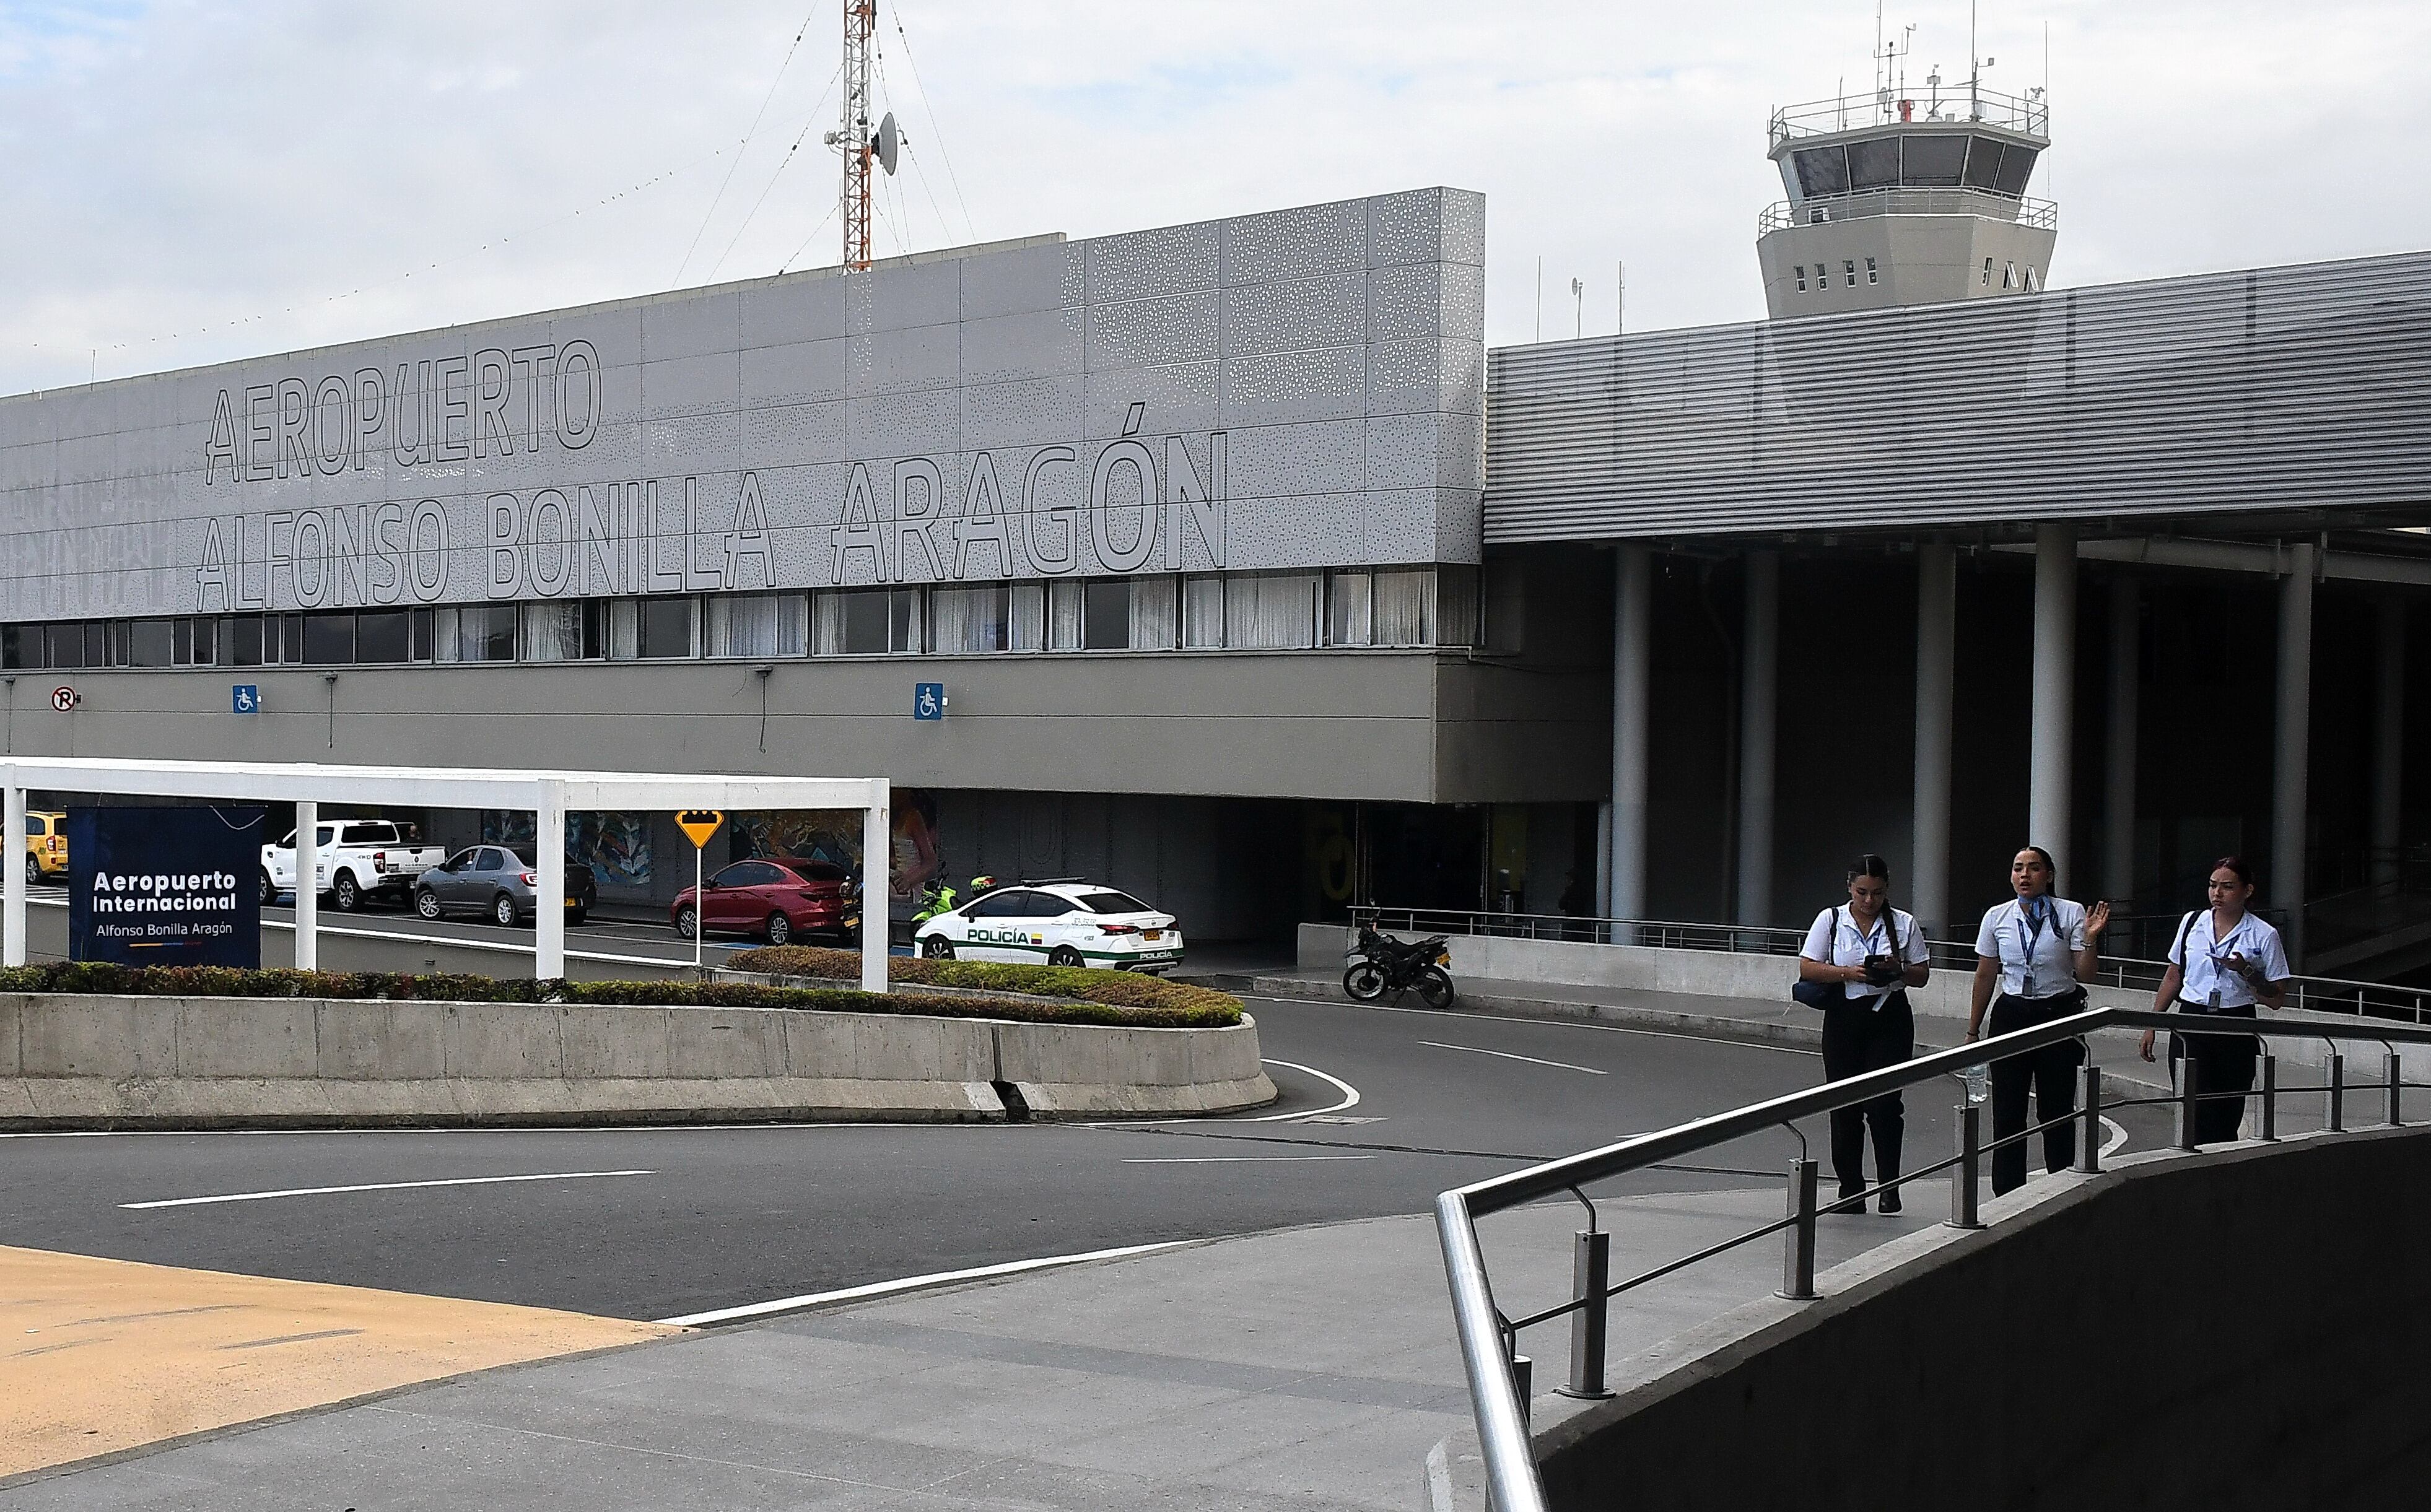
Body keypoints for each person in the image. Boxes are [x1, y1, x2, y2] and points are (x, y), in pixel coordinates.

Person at [1966, 846, 2110, 1195]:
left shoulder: (2070, 912)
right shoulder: (1997, 916)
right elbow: (1985, 974)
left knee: (2056, 1109)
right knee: (2008, 1111)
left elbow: (2085, 974)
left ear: (2049, 875)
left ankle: (2060, 1188)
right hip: (2012, 1013)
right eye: (2018, 868)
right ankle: (2007, 1193)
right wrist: (1973, 1030)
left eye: (2033, 868)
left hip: (2057, 1013)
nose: (2025, 875)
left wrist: (2090, 940)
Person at [1798, 854, 1931, 1212]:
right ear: (1850, 888)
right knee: (1844, 1105)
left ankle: (1889, 1188)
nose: (1869, 900)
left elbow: (1922, 975)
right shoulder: (1831, 919)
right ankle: (1851, 1190)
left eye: (1877, 893)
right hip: (1845, 1016)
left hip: (1890, 1016)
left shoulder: (1903, 923)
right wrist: (1847, 973)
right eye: (1862, 892)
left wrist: (1898, 969)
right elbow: (1808, 968)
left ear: (1887, 889)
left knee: (1885, 1105)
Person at [2139, 856, 2290, 1144]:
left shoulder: (2264, 934)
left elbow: (2276, 998)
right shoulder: (2192, 922)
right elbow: (2173, 975)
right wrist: (2152, 1023)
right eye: (2212, 886)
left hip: (2235, 1022)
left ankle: (2220, 1165)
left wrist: (2246, 971)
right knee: (2192, 1107)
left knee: (2226, 1112)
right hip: (2191, 1019)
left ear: (2247, 890)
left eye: (2227, 887)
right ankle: (2192, 1163)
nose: (2217, 893)